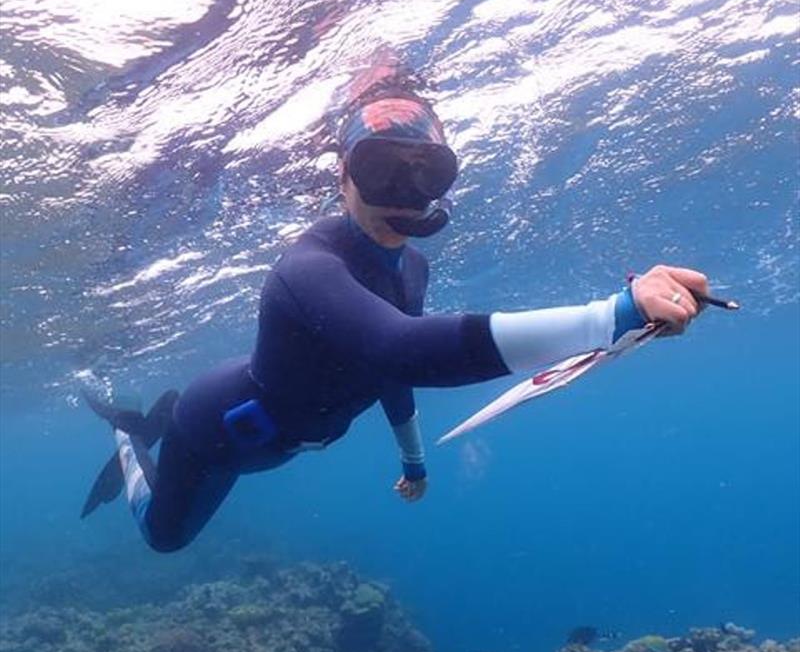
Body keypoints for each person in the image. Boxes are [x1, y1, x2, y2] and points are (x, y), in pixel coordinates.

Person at [84, 71, 710, 553]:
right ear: (342, 178)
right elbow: (400, 349)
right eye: (379, 169)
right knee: (164, 539)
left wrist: (413, 460)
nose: (405, 195)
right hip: (215, 430)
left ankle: (148, 425)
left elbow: (391, 372)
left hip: (283, 441)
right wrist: (615, 313)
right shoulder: (307, 264)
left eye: (426, 172)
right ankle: (132, 432)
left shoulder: (413, 269)